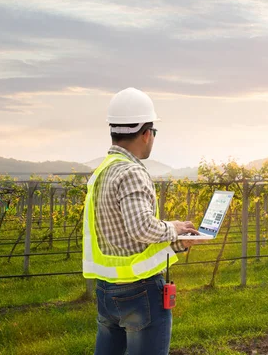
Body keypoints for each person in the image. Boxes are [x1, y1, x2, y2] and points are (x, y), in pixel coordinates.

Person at [83, 87, 202, 355]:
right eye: (154, 132)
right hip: (139, 294)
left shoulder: (103, 172)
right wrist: (173, 228)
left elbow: (125, 238)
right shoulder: (132, 171)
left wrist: (177, 243)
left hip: (106, 290)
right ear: (146, 133)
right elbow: (140, 228)